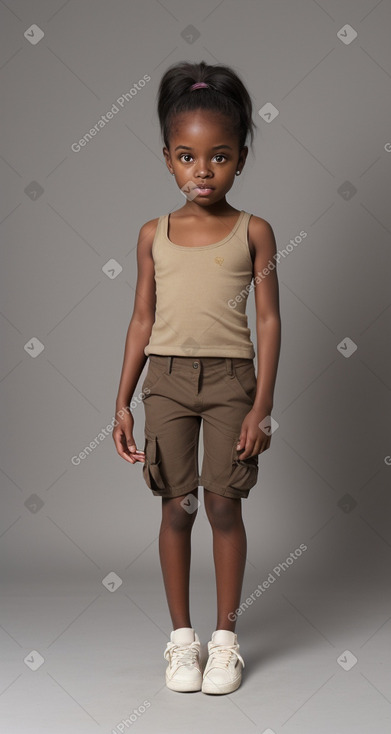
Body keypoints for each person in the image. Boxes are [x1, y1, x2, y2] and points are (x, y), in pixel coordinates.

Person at [113, 60, 281, 695]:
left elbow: (268, 322)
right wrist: (122, 402)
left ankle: (225, 643)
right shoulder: (152, 235)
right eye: (187, 157)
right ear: (166, 159)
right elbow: (140, 320)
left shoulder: (254, 232)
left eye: (219, 157)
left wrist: (261, 404)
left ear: (240, 158)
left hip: (233, 381)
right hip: (169, 381)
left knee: (222, 504)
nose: (202, 171)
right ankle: (182, 643)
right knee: (178, 506)